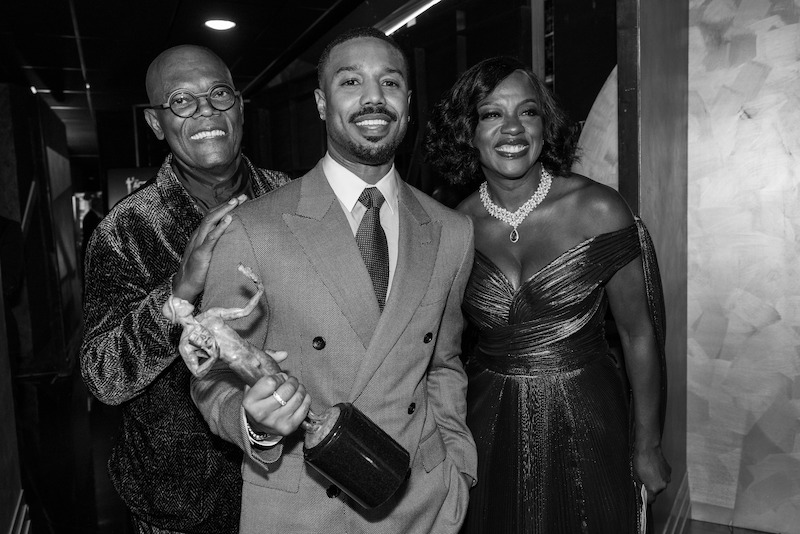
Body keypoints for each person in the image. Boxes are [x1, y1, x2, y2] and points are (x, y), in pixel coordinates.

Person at [189, 27, 477, 534]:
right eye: (351, 81)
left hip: (424, 505)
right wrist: (254, 426)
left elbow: (444, 364)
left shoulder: (452, 231)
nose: (373, 98)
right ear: (322, 103)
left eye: (390, 83)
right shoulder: (253, 228)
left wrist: (459, 471)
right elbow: (212, 377)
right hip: (306, 507)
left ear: (407, 103)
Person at [424, 56, 671, 533]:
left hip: (589, 415)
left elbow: (639, 335)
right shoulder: (455, 225)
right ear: (468, 131)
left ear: (545, 124)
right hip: (490, 421)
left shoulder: (598, 208)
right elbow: (441, 349)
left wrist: (647, 444)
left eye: (528, 112)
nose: (512, 128)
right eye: (492, 113)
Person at [80, 45, 290, 534]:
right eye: (181, 101)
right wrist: (179, 290)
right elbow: (103, 376)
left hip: (294, 484)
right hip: (185, 502)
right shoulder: (124, 231)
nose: (205, 112)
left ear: (239, 106)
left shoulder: (292, 199)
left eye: (219, 94)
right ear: (156, 124)